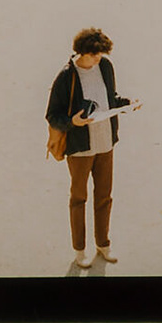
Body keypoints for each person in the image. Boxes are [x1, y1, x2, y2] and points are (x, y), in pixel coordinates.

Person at [44, 28, 137, 269]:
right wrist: (72, 122)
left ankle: (103, 244)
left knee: (104, 196)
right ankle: (80, 250)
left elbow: (110, 97)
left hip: (105, 143)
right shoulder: (66, 77)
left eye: (101, 54)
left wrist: (127, 104)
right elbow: (52, 115)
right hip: (80, 149)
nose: (98, 59)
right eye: (95, 55)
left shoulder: (105, 66)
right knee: (79, 198)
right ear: (82, 52)